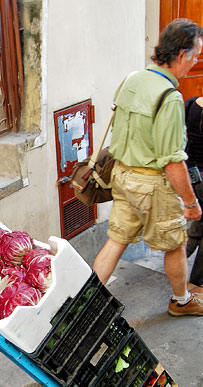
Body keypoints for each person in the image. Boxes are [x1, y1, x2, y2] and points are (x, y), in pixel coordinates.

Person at [93, 18, 203, 317]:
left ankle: (87, 303)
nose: (195, 63)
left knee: (116, 240)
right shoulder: (170, 97)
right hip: (152, 184)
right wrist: (191, 204)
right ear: (181, 55)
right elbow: (173, 162)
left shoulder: (133, 79)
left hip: (123, 175)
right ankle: (181, 301)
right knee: (175, 244)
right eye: (195, 55)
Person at [184, 96, 203, 287]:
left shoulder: (191, 104)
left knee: (199, 225)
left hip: (191, 174)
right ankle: (197, 282)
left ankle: (176, 264)